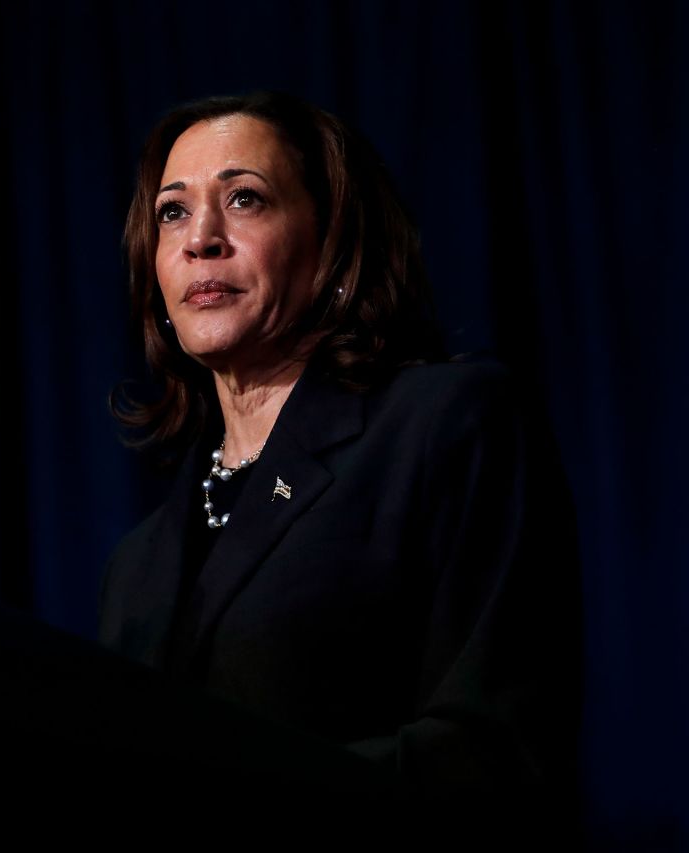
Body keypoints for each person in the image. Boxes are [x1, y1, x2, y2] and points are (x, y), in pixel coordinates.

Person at [99, 92, 579, 817]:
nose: (201, 237)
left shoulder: (446, 426)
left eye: (245, 199)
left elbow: (495, 751)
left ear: (333, 246)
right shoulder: (135, 565)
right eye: (173, 212)